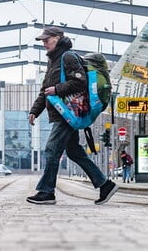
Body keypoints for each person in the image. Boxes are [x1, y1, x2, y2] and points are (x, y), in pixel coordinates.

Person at [26, 26, 118, 205]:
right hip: (63, 112)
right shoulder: (53, 60)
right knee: (75, 152)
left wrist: (58, 89)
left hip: (68, 113)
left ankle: (47, 192)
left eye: (47, 39)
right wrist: (34, 111)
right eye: (43, 40)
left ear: (58, 38)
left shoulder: (67, 56)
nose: (44, 43)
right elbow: (46, 90)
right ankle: (105, 185)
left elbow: (80, 81)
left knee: (52, 150)